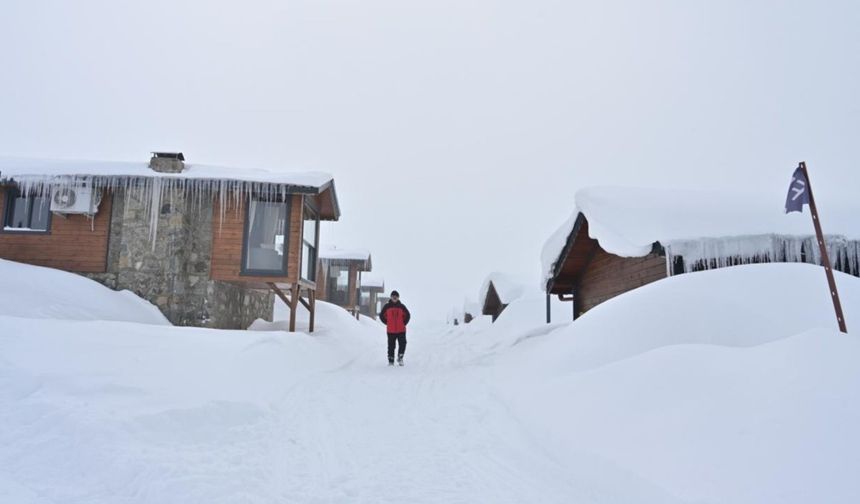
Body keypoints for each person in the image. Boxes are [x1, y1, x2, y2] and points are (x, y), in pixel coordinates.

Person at [379, 290, 411, 366]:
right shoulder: (387, 306)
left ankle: (400, 358)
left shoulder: (402, 306)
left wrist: (403, 324)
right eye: (393, 296)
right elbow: (381, 316)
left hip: (401, 330)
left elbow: (408, 315)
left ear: (398, 297)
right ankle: (391, 361)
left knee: (403, 343)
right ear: (391, 297)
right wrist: (387, 323)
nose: (394, 298)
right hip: (391, 331)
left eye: (396, 296)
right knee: (391, 346)